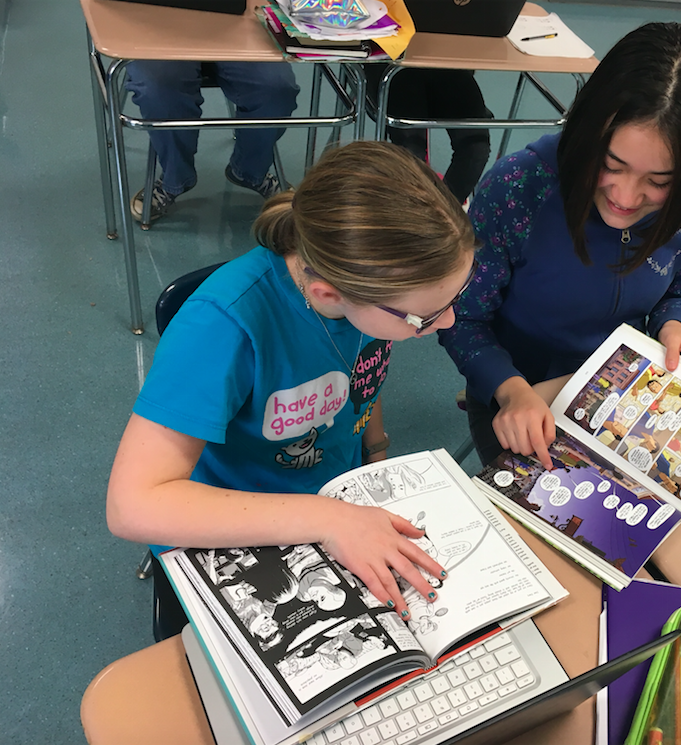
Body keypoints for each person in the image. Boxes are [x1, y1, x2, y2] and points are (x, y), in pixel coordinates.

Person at [107, 140, 476, 640]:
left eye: (454, 299)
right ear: (329, 292)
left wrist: (377, 450)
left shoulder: (361, 298)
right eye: (425, 316)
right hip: (237, 525)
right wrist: (328, 519)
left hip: (335, 500)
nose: (447, 321)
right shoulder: (223, 325)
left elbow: (359, 377)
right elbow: (132, 506)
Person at [438, 22, 681, 469]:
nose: (626, 198)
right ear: (588, 132)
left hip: (625, 389)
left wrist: (673, 327)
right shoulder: (521, 186)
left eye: (659, 182)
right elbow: (460, 317)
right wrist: (509, 388)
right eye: (612, 164)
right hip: (518, 390)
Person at [124, 61, 301, 222]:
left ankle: (250, 172)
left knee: (277, 88)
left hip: (235, 33)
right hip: (158, 33)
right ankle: (175, 179)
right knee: (160, 89)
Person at [364, 66, 493, 204]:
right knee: (412, 152)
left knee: (476, 148)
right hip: (394, 64)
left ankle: (445, 210)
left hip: (446, 63)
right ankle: (413, 212)